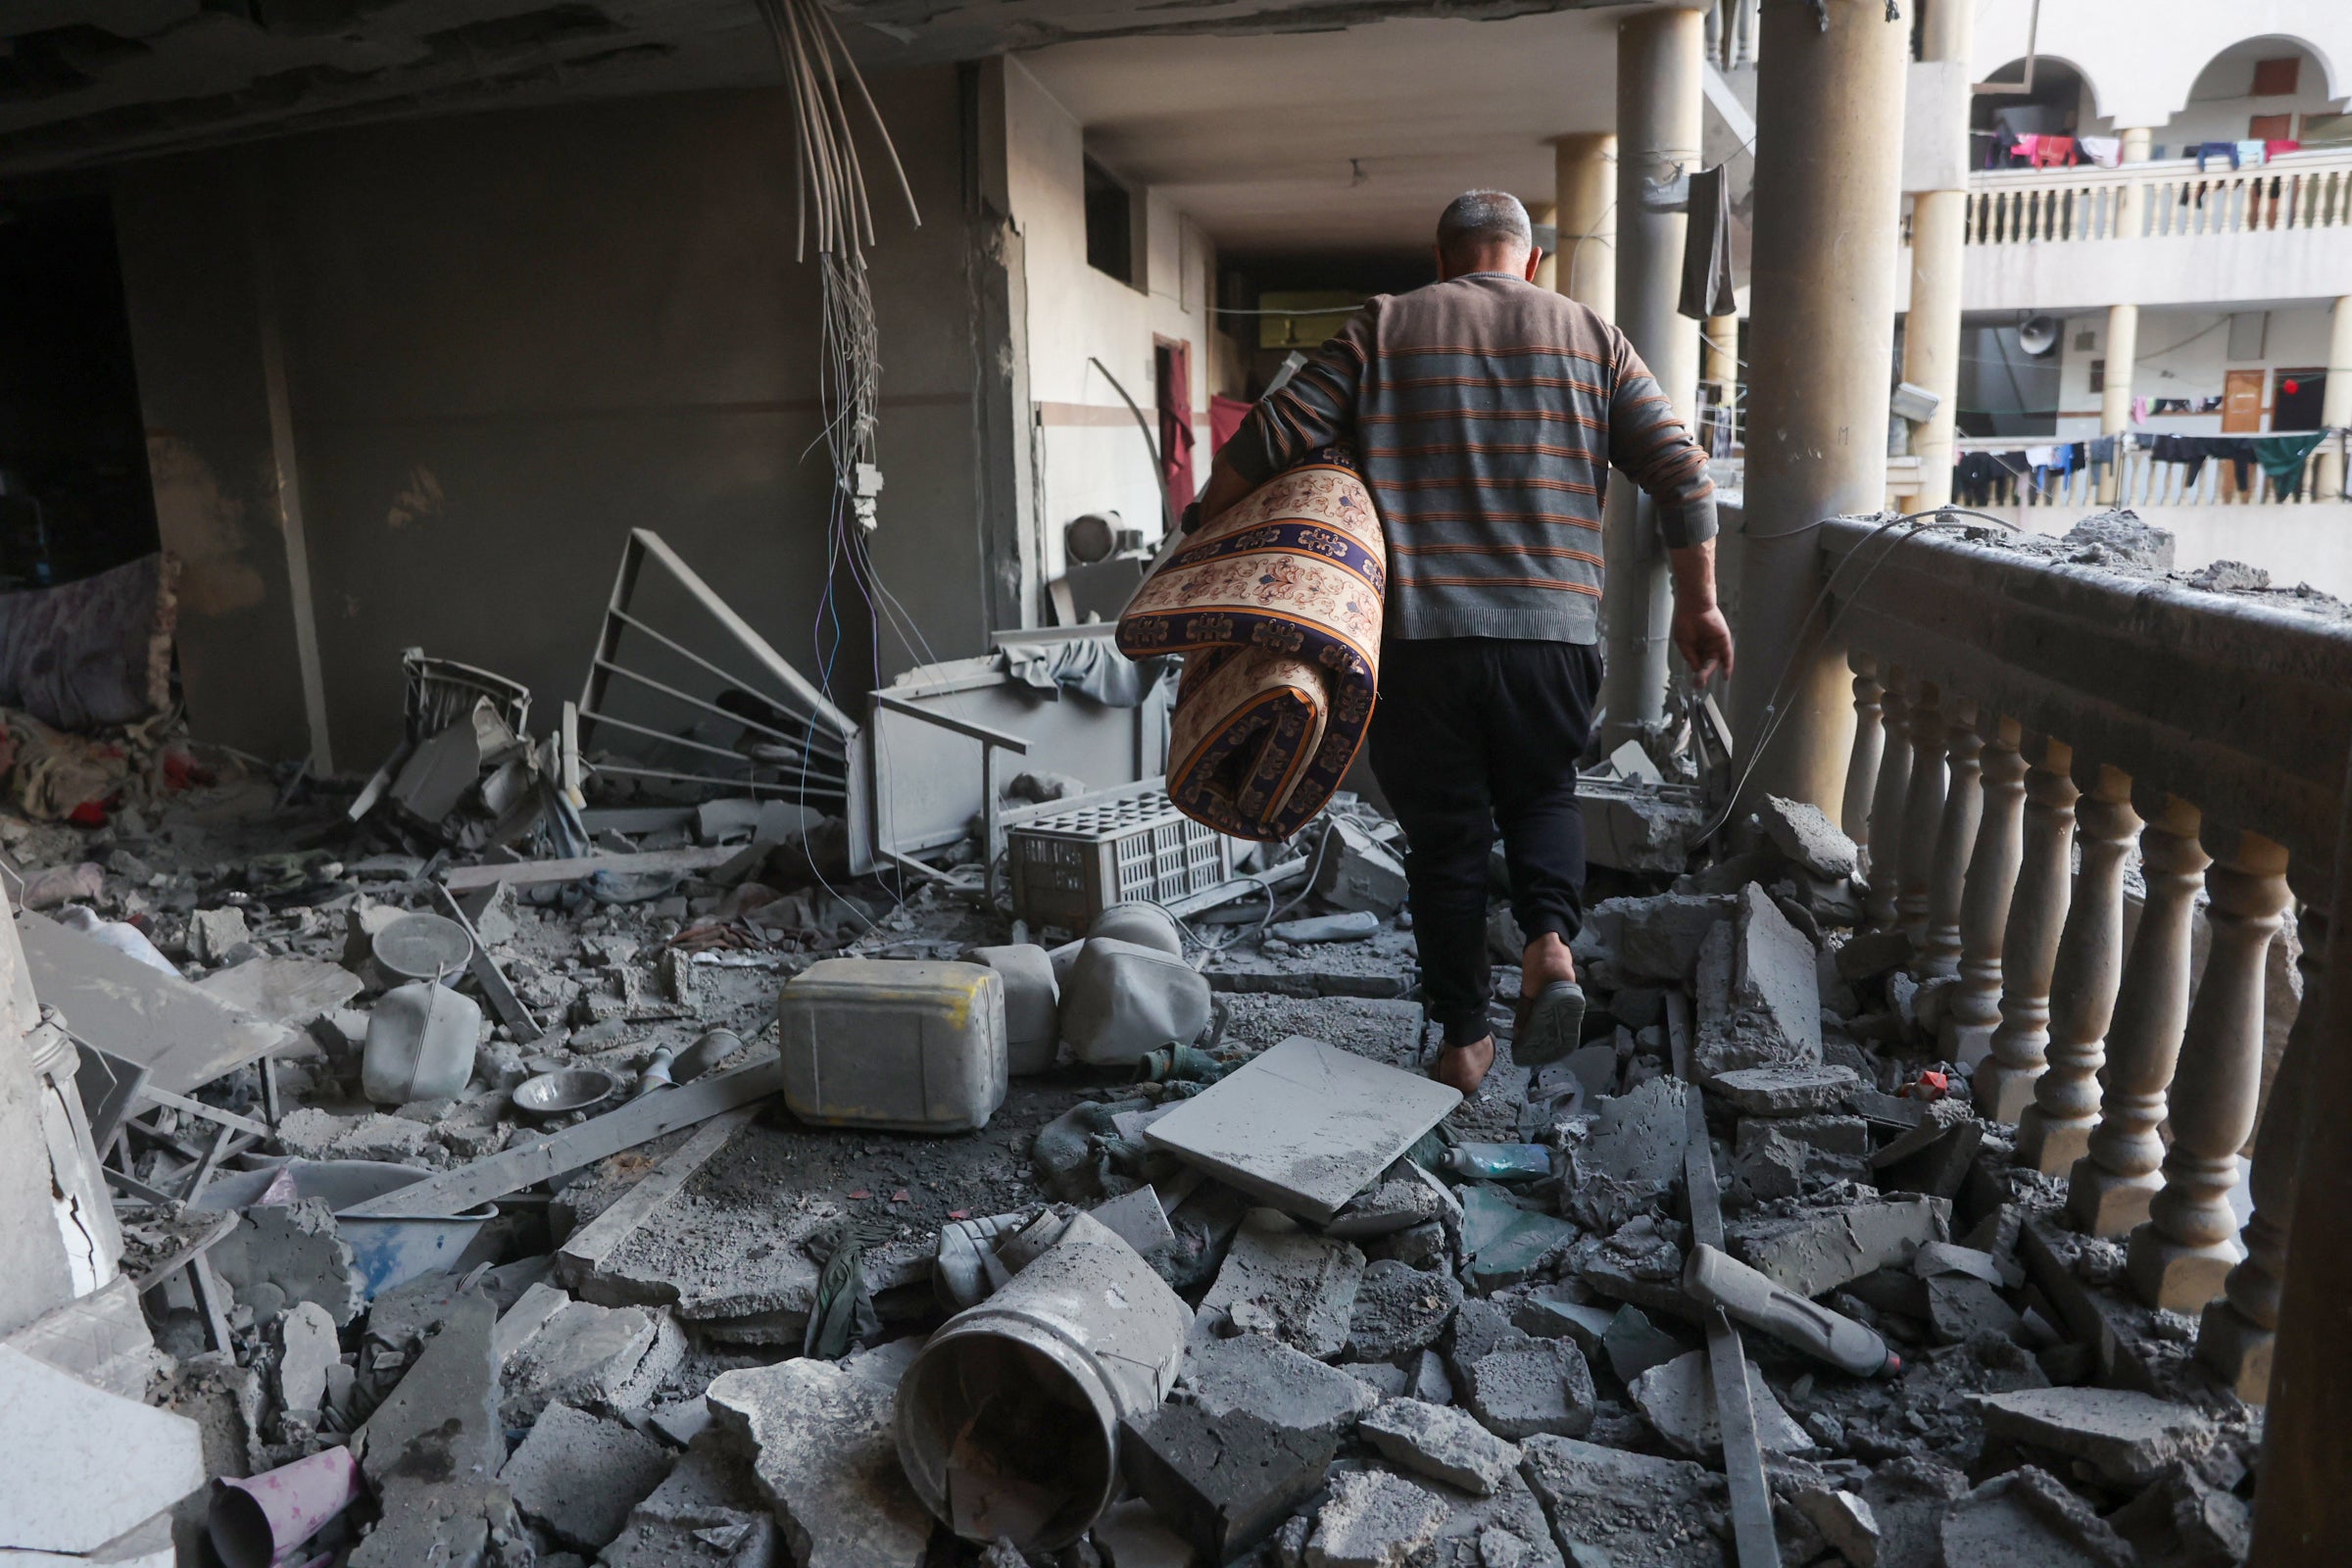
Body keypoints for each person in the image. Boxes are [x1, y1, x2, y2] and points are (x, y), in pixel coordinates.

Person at [1196, 189, 1734, 1096]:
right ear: (1529, 264)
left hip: (1421, 641)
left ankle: (1463, 1043)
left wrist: (1203, 533)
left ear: (1442, 260)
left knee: (1445, 841)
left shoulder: (1385, 325)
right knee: (1542, 794)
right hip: (1553, 634)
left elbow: (1275, 432)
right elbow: (1680, 471)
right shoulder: (1592, 336)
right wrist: (1701, 605)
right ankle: (1549, 948)